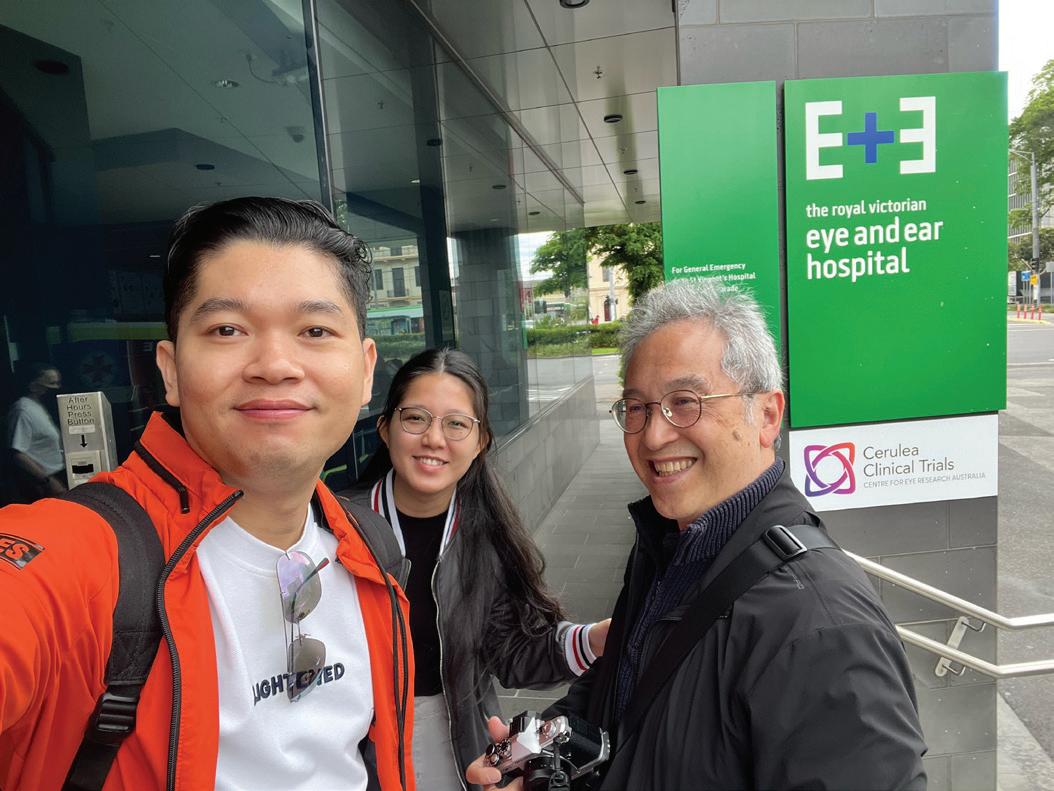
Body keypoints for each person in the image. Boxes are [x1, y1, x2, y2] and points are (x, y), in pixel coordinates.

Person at [0, 197, 414, 791]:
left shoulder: (370, 549)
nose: (275, 365)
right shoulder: (85, 558)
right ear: (170, 369)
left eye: (315, 331)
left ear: (367, 369)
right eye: (227, 330)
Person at [469, 278, 927, 790]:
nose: (653, 435)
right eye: (637, 407)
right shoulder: (668, 545)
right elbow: (623, 684)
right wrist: (543, 753)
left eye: (685, 401)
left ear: (767, 415)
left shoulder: (822, 626)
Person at [345, 347, 609, 791]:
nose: (434, 439)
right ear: (385, 428)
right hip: (355, 753)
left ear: (480, 440)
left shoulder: (487, 536)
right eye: (416, 418)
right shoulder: (336, 529)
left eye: (456, 424)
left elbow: (514, 651)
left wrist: (595, 639)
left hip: (460, 746)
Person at [6, 362, 67, 502]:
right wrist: (47, 481)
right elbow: (18, 453)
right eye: (51, 383)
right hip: (43, 483)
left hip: (57, 475)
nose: (56, 388)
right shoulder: (23, 410)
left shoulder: (39, 406)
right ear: (33, 385)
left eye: (58, 383)